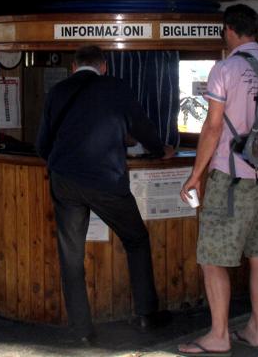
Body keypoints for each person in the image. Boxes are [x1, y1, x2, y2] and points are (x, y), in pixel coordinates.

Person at [35, 45, 174, 345]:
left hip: (65, 181)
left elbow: (42, 145)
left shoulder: (57, 92)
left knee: (71, 256)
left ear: (74, 67)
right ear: (104, 67)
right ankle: (146, 314)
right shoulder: (116, 87)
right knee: (136, 239)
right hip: (106, 181)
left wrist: (61, 162)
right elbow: (142, 128)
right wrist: (160, 149)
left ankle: (82, 330)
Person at [177, 4, 258, 356]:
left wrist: (196, 175)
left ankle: (219, 335)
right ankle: (255, 329)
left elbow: (212, 127)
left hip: (232, 176)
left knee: (213, 257)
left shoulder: (225, 69)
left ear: (228, 29)